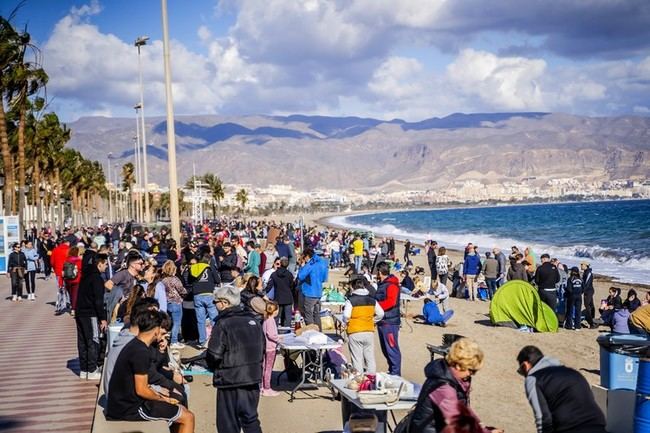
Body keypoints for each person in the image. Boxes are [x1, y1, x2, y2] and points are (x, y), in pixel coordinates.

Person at [106, 310, 195, 433]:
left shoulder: (135, 344)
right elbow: (141, 390)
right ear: (156, 330)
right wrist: (163, 399)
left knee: (180, 408)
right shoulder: (141, 352)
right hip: (129, 409)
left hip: (122, 404)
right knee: (188, 417)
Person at [408, 338, 503, 433]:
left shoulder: (445, 372)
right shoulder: (444, 388)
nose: (472, 374)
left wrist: (482, 428)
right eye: (471, 370)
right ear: (458, 365)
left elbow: (464, 411)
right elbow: (459, 422)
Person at [207, 285, 265, 433]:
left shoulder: (223, 323)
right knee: (250, 419)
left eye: (216, 302)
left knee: (228, 423)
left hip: (230, 380)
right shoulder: (254, 322)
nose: (215, 305)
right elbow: (262, 348)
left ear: (224, 302)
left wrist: (211, 365)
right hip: (252, 377)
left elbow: (214, 355)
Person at [516, 345, 606, 433]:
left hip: (570, 428)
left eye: (521, 371)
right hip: (598, 424)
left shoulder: (534, 379)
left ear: (525, 365)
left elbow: (543, 418)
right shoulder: (573, 372)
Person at [76, 254, 109, 380]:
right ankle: (92, 369)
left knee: (82, 341)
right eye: (105, 264)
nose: (106, 267)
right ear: (99, 263)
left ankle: (84, 369)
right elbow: (98, 300)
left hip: (80, 312)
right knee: (93, 340)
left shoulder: (85, 275)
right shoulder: (97, 278)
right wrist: (102, 318)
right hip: (90, 313)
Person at [343, 277, 384, 374]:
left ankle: (359, 380)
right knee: (370, 357)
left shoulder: (351, 300)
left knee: (357, 358)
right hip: (368, 330)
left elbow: (346, 315)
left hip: (355, 331)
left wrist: (346, 322)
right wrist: (372, 321)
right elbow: (381, 313)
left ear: (353, 287)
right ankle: (371, 378)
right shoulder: (372, 300)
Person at [374, 261, 402, 375]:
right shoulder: (383, 284)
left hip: (390, 322)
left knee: (391, 349)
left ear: (380, 272)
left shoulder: (391, 285)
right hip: (383, 320)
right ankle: (392, 370)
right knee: (386, 349)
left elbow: (391, 302)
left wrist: (376, 307)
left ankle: (396, 373)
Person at [189, 252, 221, 348]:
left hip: (197, 295)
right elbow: (218, 280)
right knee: (214, 318)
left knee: (200, 320)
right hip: (208, 294)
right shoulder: (210, 267)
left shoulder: (194, 267)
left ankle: (202, 341)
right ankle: (215, 340)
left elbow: (189, 281)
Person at [297, 247, 328, 329]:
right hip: (318, 292)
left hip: (310, 292)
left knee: (308, 314)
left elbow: (300, 276)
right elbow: (324, 278)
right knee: (316, 314)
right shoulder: (322, 262)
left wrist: (302, 266)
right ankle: (319, 331)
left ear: (307, 256)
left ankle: (311, 331)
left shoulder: (310, 264)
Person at [161, 260, 187, 349]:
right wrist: (185, 293)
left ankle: (172, 338)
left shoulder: (163, 280)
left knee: (171, 322)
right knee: (177, 323)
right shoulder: (175, 279)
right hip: (176, 302)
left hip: (168, 303)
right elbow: (181, 289)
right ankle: (174, 341)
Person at [267, 257, 294, 327]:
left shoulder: (274, 274)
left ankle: (274, 331)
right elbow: (292, 286)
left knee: (276, 316)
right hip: (288, 297)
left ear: (280, 264)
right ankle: (288, 332)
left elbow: (269, 286)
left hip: (278, 298)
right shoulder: (290, 275)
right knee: (288, 318)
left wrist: (265, 294)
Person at [262, 301, 281, 396]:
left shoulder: (266, 319)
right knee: (268, 368)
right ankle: (267, 387)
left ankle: (262, 386)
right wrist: (278, 339)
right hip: (270, 348)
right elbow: (271, 334)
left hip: (266, 346)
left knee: (264, 367)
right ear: (275, 311)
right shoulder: (270, 320)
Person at [64, 246, 83, 316]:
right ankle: (74, 309)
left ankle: (72, 306)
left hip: (67, 280)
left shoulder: (67, 260)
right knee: (75, 295)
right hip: (76, 279)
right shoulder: (79, 260)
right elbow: (81, 269)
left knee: (71, 294)